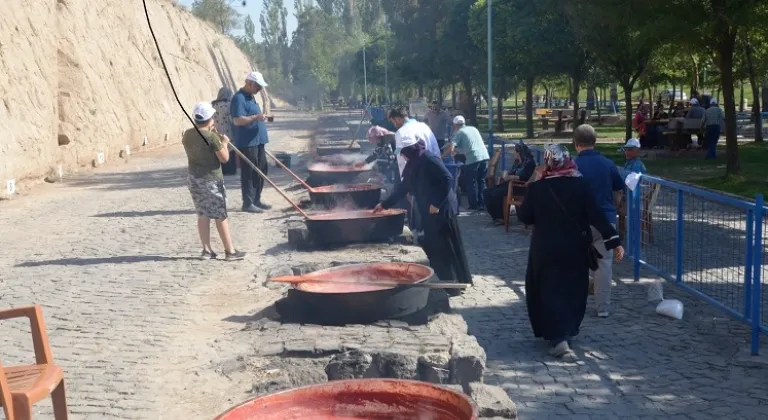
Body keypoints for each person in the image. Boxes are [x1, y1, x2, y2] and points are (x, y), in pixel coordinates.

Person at [517, 144, 623, 359]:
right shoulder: (581, 185)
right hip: (575, 248)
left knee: (548, 289)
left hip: (545, 248)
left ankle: (557, 337)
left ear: (548, 162)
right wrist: (614, 241)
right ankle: (566, 330)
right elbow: (597, 215)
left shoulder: (538, 188)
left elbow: (525, 217)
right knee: (573, 289)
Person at [374, 133, 471, 292]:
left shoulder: (428, 158)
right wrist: (383, 205)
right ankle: (445, 281)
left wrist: (436, 203)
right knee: (433, 246)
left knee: (445, 247)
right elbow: (403, 188)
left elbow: (447, 179)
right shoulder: (413, 163)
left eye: (403, 152)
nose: (402, 156)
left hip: (441, 209)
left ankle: (455, 283)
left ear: (410, 149)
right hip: (429, 211)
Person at [181, 102, 247, 261]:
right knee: (220, 215)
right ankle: (230, 251)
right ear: (210, 119)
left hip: (194, 178)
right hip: (211, 180)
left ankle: (206, 250)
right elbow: (224, 158)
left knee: (202, 214)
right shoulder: (212, 137)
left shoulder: (187, 135)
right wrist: (223, 142)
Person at [573, 125, 625, 318]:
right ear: (595, 142)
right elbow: (618, 191)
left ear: (576, 143)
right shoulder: (608, 164)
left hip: (580, 222)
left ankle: (576, 301)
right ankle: (602, 307)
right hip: (605, 221)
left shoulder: (573, 165)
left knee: (577, 261)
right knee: (604, 264)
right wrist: (615, 207)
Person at [388, 108, 441, 237]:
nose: (394, 125)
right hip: (434, 170)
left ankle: (419, 234)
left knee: (418, 206)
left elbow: (402, 160)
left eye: (393, 122)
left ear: (398, 118)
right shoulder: (424, 127)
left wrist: (405, 186)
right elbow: (435, 148)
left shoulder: (402, 132)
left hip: (418, 176)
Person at [231, 71, 271, 213]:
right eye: (258, 87)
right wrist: (255, 117)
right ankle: (247, 203)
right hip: (247, 142)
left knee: (261, 169)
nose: (259, 90)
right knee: (249, 171)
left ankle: (256, 199)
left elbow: (254, 116)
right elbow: (238, 120)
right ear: (250, 83)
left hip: (258, 140)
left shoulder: (251, 97)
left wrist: (261, 118)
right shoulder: (239, 98)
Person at [442, 116, 490, 210]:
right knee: (481, 181)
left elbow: (451, 148)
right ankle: (482, 203)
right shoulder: (473, 129)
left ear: (455, 125)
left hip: (473, 158)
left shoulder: (460, 132)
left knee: (470, 182)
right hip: (484, 156)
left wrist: (441, 157)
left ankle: (473, 205)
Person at [483, 142, 536, 222]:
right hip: (510, 184)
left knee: (495, 193)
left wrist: (511, 177)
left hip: (519, 186)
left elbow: (526, 177)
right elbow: (511, 173)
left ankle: (500, 217)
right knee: (487, 192)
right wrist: (506, 175)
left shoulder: (529, 163)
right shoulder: (517, 162)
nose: (514, 153)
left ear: (519, 153)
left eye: (515, 152)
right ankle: (495, 216)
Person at [212, 87, 236, 175]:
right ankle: (230, 170)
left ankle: (222, 170)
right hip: (228, 131)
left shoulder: (214, 105)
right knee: (230, 150)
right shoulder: (229, 105)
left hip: (216, 132)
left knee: (219, 149)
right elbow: (232, 120)